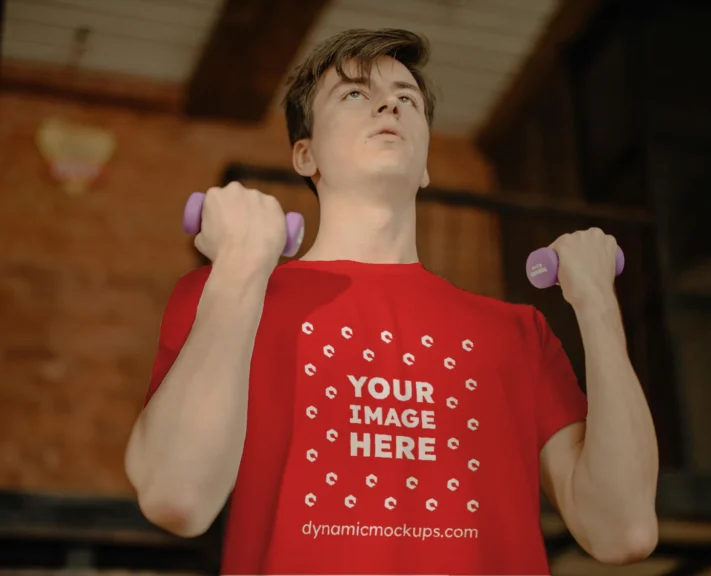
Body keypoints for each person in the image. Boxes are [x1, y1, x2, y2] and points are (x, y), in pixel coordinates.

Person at [125, 28, 659, 575]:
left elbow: (623, 531)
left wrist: (597, 305)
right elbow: (176, 496)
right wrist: (238, 266)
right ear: (305, 155)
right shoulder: (228, 296)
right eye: (354, 93)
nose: (389, 103)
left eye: (407, 98)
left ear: (425, 164)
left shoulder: (518, 333)